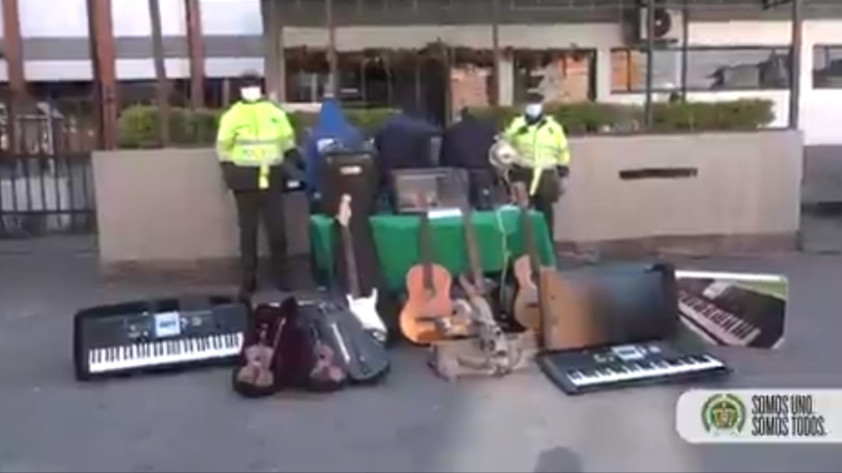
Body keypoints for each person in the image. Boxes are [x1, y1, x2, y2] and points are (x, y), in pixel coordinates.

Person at [216, 70, 302, 297]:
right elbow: (223, 147)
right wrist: (230, 172)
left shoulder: (274, 112)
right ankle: (248, 280)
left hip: (272, 177)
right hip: (244, 179)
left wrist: (291, 162)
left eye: (254, 85)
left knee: (277, 232)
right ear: (241, 90)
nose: (251, 90)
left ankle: (282, 277)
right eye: (247, 86)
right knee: (248, 233)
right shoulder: (233, 115)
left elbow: (288, 142)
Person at [503, 93, 570, 240]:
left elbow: (563, 151)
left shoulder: (553, 127)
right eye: (530, 103)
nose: (533, 107)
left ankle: (547, 246)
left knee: (545, 212)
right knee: (522, 213)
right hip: (523, 172)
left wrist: (563, 176)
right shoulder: (517, 125)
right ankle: (523, 248)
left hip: (546, 175)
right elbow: (505, 146)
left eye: (536, 104)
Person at [302, 95, 365, 205]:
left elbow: (310, 166)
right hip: (351, 187)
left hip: (324, 189)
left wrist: (310, 189)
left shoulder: (314, 136)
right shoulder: (354, 133)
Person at [439, 107, 498, 209]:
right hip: (483, 172)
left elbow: (446, 153)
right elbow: (495, 152)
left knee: (462, 206)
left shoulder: (452, 130)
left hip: (460, 173)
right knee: (485, 205)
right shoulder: (489, 129)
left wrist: (445, 169)